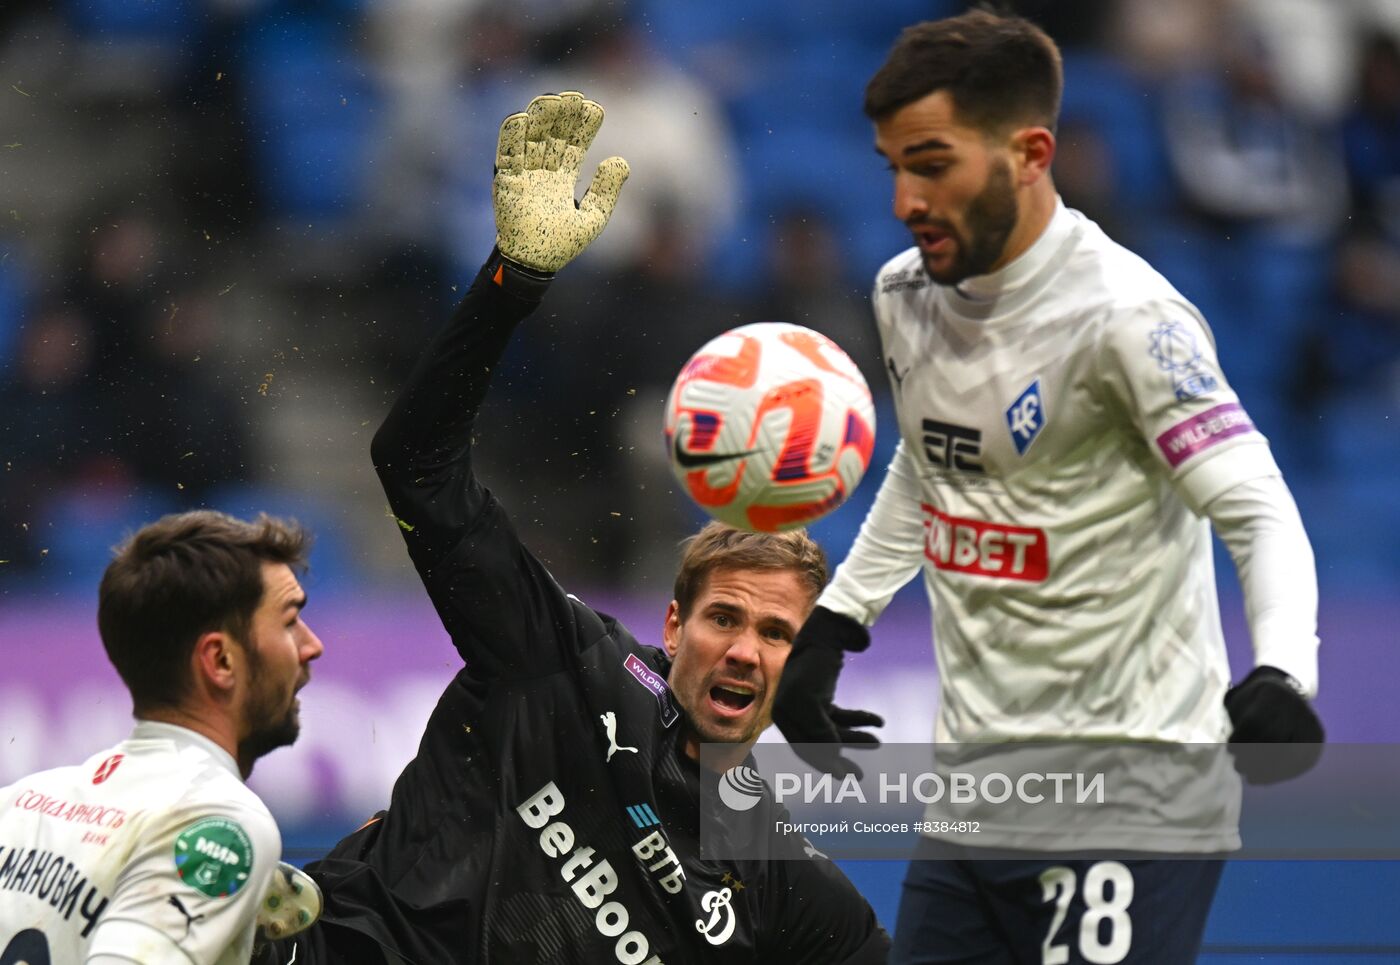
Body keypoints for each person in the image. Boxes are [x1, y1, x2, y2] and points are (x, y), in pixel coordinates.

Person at [261, 91, 890, 964]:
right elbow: (416, 463)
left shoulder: (792, 889)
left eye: (777, 632)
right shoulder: (563, 660)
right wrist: (509, 286)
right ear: (674, 625)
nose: (746, 648)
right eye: (725, 617)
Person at [771, 11, 1325, 964]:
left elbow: (1257, 507)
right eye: (893, 165)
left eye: (933, 163)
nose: (905, 198)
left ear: (1030, 152)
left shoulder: (1129, 321)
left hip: (1134, 800)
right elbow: (932, 456)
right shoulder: (905, 295)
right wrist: (839, 616)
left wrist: (1282, 669)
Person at [0, 510, 326, 964]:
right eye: (290, 621)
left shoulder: (20, 804)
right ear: (221, 661)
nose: (313, 645)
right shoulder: (218, 826)